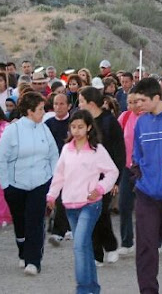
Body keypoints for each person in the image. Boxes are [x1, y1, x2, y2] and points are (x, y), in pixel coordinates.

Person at [47, 109, 120, 294]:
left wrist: (100, 189)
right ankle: (93, 288)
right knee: (85, 247)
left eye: (80, 127)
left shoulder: (97, 150)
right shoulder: (66, 149)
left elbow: (112, 171)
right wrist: (52, 195)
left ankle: (83, 289)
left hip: (90, 204)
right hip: (70, 205)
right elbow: (59, 174)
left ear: (88, 127)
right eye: (73, 127)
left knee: (79, 246)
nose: (76, 131)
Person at [0, 91, 59, 275]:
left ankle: (34, 261)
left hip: (40, 184)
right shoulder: (12, 130)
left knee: (35, 222)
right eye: (40, 109)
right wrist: (6, 185)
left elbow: (54, 155)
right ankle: (23, 251)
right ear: (29, 111)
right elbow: (0, 159)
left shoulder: (45, 129)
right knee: (21, 223)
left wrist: (52, 179)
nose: (43, 113)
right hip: (16, 186)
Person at [132, 77, 162, 293]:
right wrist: (140, 176)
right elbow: (137, 154)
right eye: (136, 101)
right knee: (146, 247)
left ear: (156, 97)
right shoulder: (140, 123)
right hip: (146, 194)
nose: (138, 105)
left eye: (142, 100)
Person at [78, 86, 126, 265]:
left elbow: (119, 152)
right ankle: (97, 253)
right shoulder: (82, 122)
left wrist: (116, 180)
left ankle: (110, 246)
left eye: (81, 101)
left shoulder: (109, 121)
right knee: (90, 214)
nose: (79, 105)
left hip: (106, 177)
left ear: (91, 103)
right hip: (86, 176)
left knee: (99, 213)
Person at [46, 92, 73, 246]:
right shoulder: (48, 124)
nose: (58, 107)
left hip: (73, 164)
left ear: (69, 106)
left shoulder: (74, 122)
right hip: (55, 165)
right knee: (59, 197)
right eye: (56, 104)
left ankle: (68, 228)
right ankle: (59, 230)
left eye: (62, 104)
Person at [117, 90, 140, 255]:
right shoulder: (124, 117)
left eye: (135, 102)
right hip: (127, 167)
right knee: (124, 204)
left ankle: (159, 240)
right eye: (129, 102)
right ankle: (126, 241)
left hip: (145, 169)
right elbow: (116, 139)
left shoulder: (149, 117)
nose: (132, 106)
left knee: (149, 207)